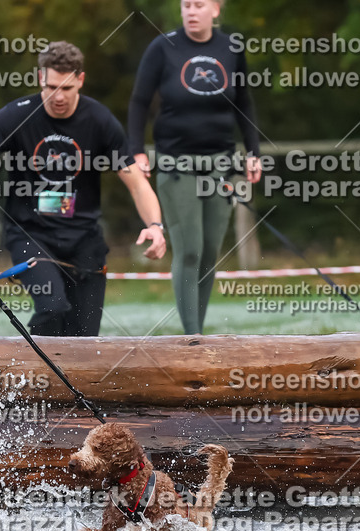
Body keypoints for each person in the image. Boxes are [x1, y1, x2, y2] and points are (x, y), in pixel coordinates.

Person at [0, 41, 166, 337]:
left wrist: (155, 226)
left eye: (66, 88)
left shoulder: (100, 120)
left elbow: (136, 183)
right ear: (41, 78)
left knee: (85, 337)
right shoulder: (17, 115)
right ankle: (34, 371)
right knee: (53, 307)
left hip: (84, 240)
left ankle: (68, 381)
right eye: (52, 86)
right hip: (30, 235)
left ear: (80, 80)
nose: (58, 96)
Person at [128, 0, 262, 335]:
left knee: (209, 253)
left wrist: (253, 151)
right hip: (177, 164)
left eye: (199, 4)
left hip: (221, 164)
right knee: (189, 249)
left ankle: (197, 330)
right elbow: (139, 102)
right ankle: (193, 339)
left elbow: (244, 101)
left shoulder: (231, 47)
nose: (190, 11)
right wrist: (135, 152)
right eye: (186, 4)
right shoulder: (163, 47)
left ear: (216, 10)